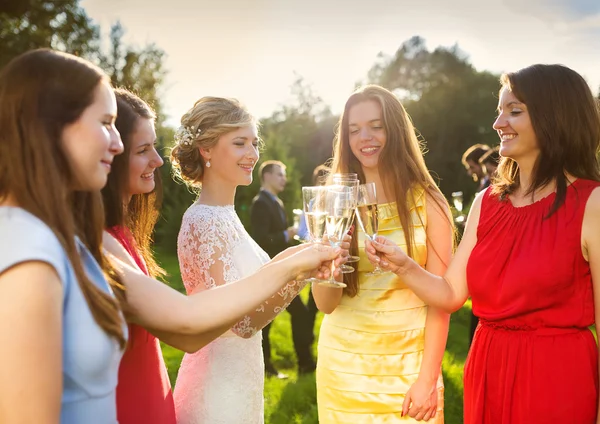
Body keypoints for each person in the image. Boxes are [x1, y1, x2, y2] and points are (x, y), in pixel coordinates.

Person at [365, 64, 600, 424]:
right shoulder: (486, 202)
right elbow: (451, 294)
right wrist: (402, 264)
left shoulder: (592, 204)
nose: (498, 123)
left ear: (557, 116)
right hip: (488, 368)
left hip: (557, 380)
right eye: (499, 111)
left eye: (514, 111)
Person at [169, 97, 346, 423]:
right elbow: (240, 323)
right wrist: (299, 270)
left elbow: (256, 287)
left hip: (243, 376)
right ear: (206, 149)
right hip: (218, 385)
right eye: (239, 143)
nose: (252, 153)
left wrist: (303, 261)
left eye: (254, 142)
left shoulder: (227, 215)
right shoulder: (203, 222)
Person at [0, 49, 128, 424]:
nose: (117, 144)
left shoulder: (58, 237)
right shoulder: (27, 250)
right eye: (105, 122)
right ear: (51, 125)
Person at [314, 85, 453, 423]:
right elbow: (325, 304)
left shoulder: (429, 203)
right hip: (344, 367)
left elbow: (443, 301)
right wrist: (330, 267)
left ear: (395, 129)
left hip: (408, 366)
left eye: (376, 125)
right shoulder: (332, 203)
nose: (365, 137)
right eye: (354, 129)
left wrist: (427, 379)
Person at [250, 160, 315, 378]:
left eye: (284, 175)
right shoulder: (260, 203)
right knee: (267, 322)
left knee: (290, 316)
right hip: (271, 270)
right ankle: (288, 364)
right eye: (279, 174)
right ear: (266, 176)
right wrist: (286, 235)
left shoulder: (275, 201)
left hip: (282, 269)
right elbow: (260, 239)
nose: (283, 179)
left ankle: (303, 362)